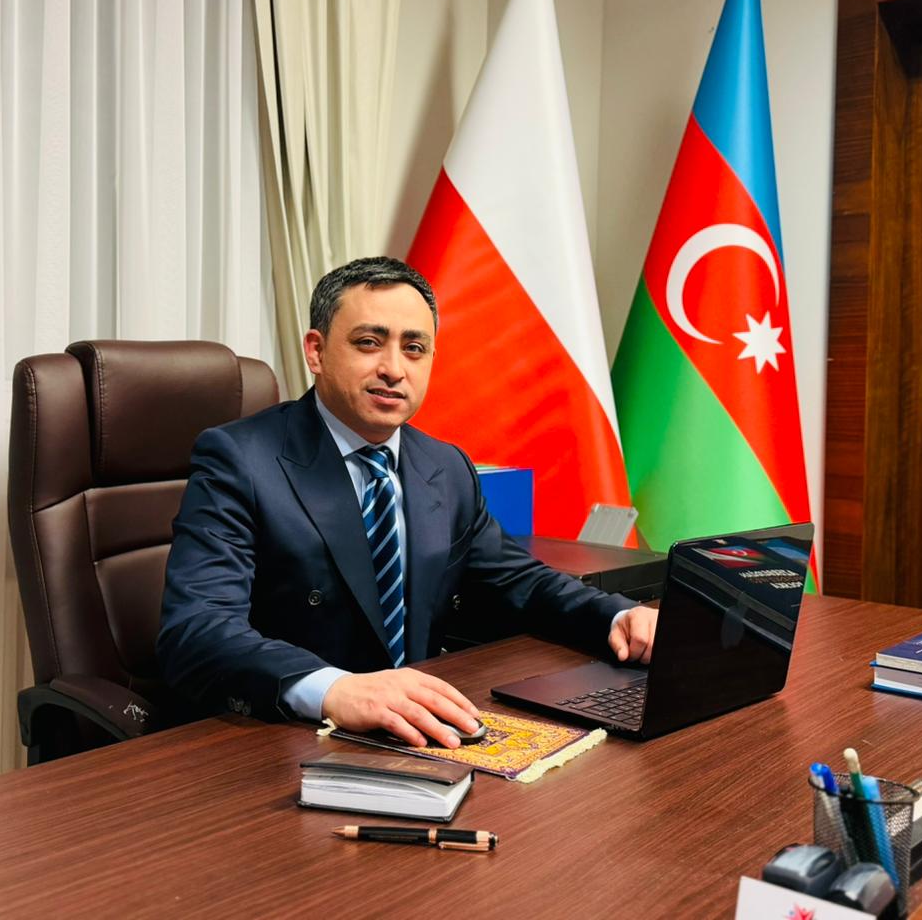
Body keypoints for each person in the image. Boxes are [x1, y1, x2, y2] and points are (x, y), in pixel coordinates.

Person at [157, 257, 658, 748]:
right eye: (368, 343)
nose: (393, 369)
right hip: (284, 738)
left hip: (413, 730)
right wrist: (333, 689)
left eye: (414, 348)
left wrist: (617, 617)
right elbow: (197, 629)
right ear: (316, 351)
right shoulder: (239, 459)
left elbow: (519, 581)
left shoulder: (445, 465)